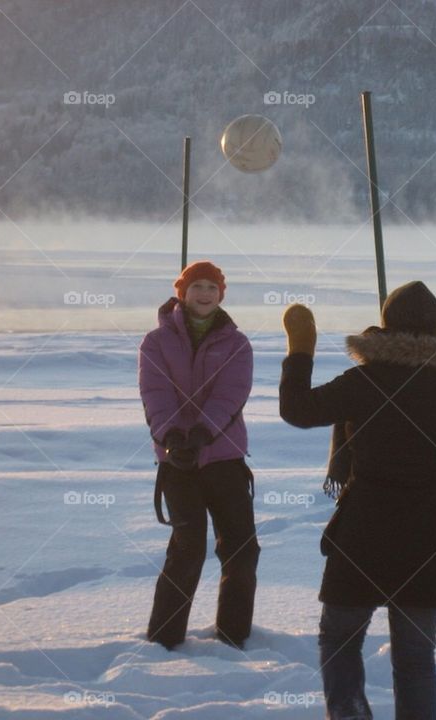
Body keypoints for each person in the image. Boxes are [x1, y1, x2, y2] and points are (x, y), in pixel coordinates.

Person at [279, 281, 436, 719]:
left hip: (365, 529)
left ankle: (349, 711)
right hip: (429, 531)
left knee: (339, 638)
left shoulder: (365, 379)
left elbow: (297, 409)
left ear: (385, 324)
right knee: (415, 656)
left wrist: (301, 348)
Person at [138, 260, 259, 650]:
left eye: (211, 287)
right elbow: (155, 393)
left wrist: (204, 434)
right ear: (182, 293)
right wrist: (172, 437)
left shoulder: (236, 343)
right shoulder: (156, 342)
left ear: (221, 294)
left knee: (241, 548)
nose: (204, 294)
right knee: (188, 548)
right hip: (177, 461)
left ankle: (233, 635)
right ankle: (164, 639)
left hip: (223, 456)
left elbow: (231, 394)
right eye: (197, 287)